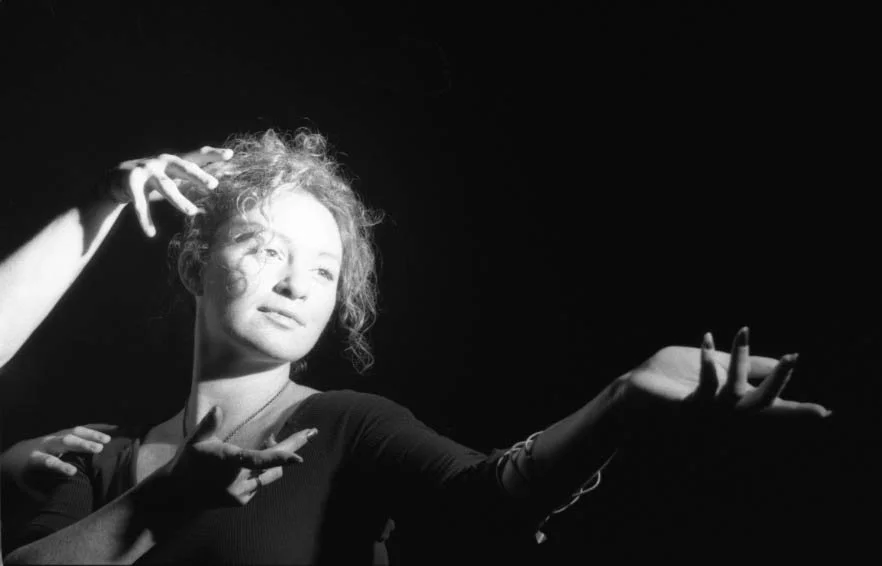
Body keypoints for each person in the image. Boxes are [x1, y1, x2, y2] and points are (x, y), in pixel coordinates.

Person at [0, 130, 831, 565]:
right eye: (265, 249)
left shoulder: (347, 426)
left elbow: (495, 499)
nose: (295, 283)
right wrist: (162, 502)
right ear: (193, 265)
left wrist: (622, 400)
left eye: (323, 270)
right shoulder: (98, 459)